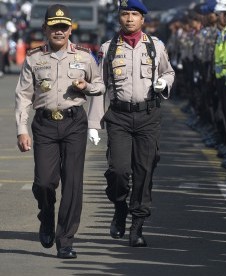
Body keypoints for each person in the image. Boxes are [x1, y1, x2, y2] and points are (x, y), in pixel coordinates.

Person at [15, 4, 104, 259]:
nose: (59, 31)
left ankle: (65, 240)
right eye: (54, 27)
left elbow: (99, 86)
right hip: (44, 124)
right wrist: (22, 129)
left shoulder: (85, 56)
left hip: (74, 121)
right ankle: (46, 215)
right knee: (44, 182)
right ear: (45, 28)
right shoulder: (34, 58)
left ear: (70, 29)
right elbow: (23, 96)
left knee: (73, 184)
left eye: (63, 27)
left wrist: (87, 87)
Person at [87, 0, 175, 247]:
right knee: (118, 170)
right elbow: (100, 85)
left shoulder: (155, 47)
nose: (129, 18)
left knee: (144, 172)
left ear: (142, 19)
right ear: (119, 18)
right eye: (125, 14)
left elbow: (169, 72)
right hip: (119, 117)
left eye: (134, 14)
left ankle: (137, 225)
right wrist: (94, 123)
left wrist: (164, 83)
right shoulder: (108, 49)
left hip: (148, 116)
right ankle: (119, 206)